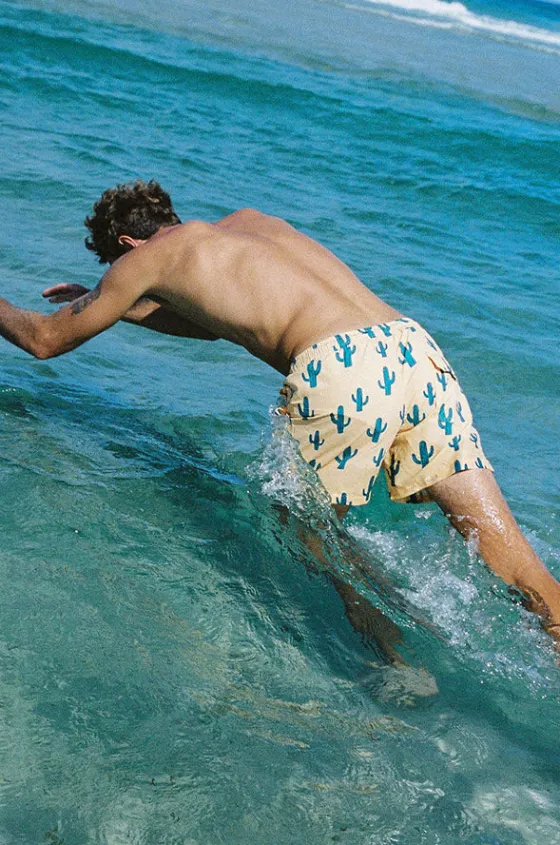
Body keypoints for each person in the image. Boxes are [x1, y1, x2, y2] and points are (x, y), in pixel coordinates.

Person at [1, 179, 558, 641]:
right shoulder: (247, 224)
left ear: (128, 244)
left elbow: (44, 340)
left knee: (307, 529)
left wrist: (106, 294)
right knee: (512, 558)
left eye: (117, 264)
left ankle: (396, 661)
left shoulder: (151, 258)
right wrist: (118, 308)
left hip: (341, 364)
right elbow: (214, 325)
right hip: (413, 351)